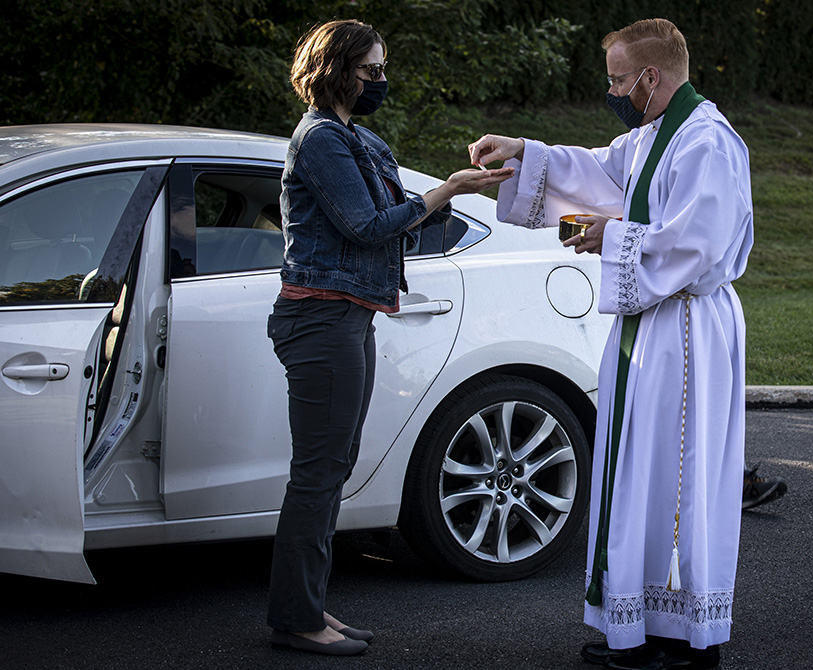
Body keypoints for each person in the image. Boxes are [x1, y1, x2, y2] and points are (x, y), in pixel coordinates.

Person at [470, 18, 752, 670]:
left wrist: (609, 236)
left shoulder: (707, 141)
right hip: (651, 326)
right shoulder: (657, 133)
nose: (614, 92)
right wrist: (523, 151)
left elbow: (697, 246)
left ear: (651, 76)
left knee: (674, 476)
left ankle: (682, 636)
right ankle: (642, 623)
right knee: (637, 472)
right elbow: (595, 172)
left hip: (685, 324)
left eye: (620, 80)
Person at [267, 19, 512, 657]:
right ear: (335, 69)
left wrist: (461, 192)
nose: (381, 81)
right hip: (319, 318)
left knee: (333, 467)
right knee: (318, 474)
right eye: (370, 71)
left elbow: (401, 220)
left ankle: (308, 606)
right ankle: (297, 618)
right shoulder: (320, 139)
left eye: (383, 70)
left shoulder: (357, 138)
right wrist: (446, 191)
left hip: (350, 316)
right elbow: (368, 225)